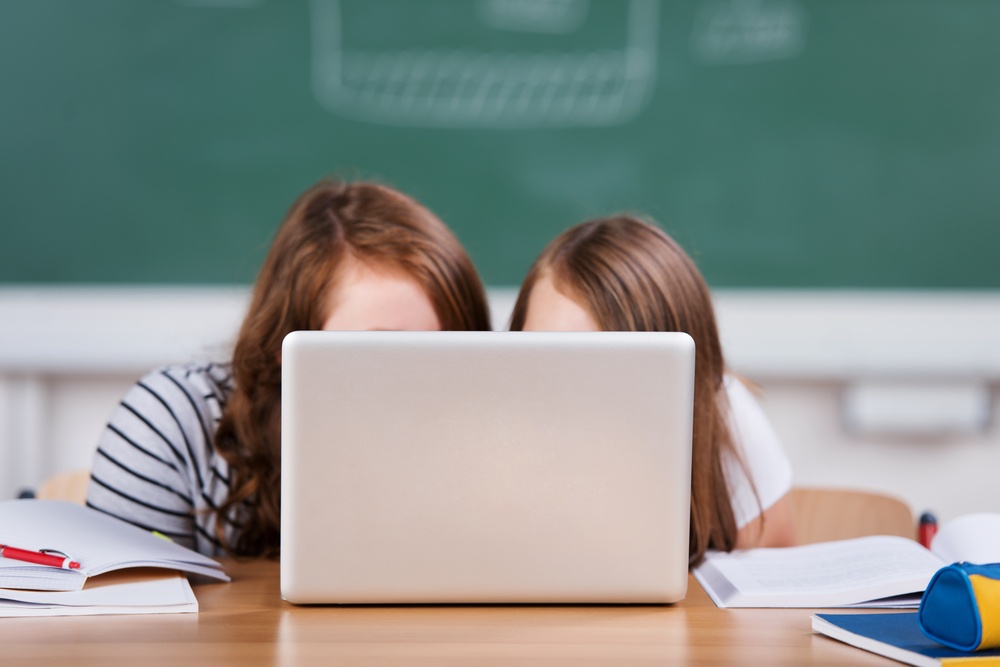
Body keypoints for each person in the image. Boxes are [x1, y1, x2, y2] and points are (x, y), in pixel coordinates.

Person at [86, 179, 491, 557]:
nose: (415, 387)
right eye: (380, 351)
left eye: (446, 354)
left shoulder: (489, 445)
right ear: (286, 348)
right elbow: (125, 614)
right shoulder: (174, 423)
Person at [508, 214, 795, 565]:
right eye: (539, 354)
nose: (559, 387)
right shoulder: (491, 430)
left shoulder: (727, 419)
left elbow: (770, 585)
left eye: (591, 365)